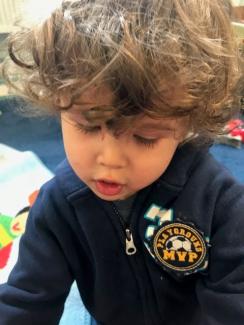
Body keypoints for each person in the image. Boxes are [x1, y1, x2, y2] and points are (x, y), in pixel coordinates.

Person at [0, 0, 244, 324]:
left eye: (145, 136)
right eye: (88, 126)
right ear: (57, 102)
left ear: (187, 125)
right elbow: (26, 300)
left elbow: (234, 302)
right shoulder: (59, 205)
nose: (110, 160)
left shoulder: (220, 202)